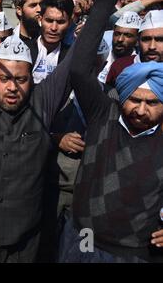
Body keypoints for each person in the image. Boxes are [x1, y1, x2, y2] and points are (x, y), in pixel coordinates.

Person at [0, 0, 130, 263]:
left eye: (21, 79)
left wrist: (103, 3)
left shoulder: (42, 102)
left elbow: (76, 63)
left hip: (25, 240)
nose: (12, 87)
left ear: (32, 80)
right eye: (4, 78)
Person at [60, 15, 163, 262]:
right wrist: (105, 1)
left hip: (134, 253)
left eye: (151, 103)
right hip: (82, 239)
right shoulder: (103, 114)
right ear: (122, 95)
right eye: (134, 100)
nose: (140, 110)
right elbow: (79, 68)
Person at [106, 10, 163, 86]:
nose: (152, 47)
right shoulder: (119, 66)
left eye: (159, 40)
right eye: (146, 39)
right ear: (138, 41)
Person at [31, 0, 74, 83]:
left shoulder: (72, 58)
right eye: (49, 21)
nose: (54, 28)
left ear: (69, 23)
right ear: (40, 19)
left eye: (60, 22)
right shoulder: (24, 50)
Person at [97, 11, 140, 84]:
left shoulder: (137, 66)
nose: (120, 39)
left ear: (137, 41)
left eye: (128, 35)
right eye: (117, 34)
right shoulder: (99, 55)